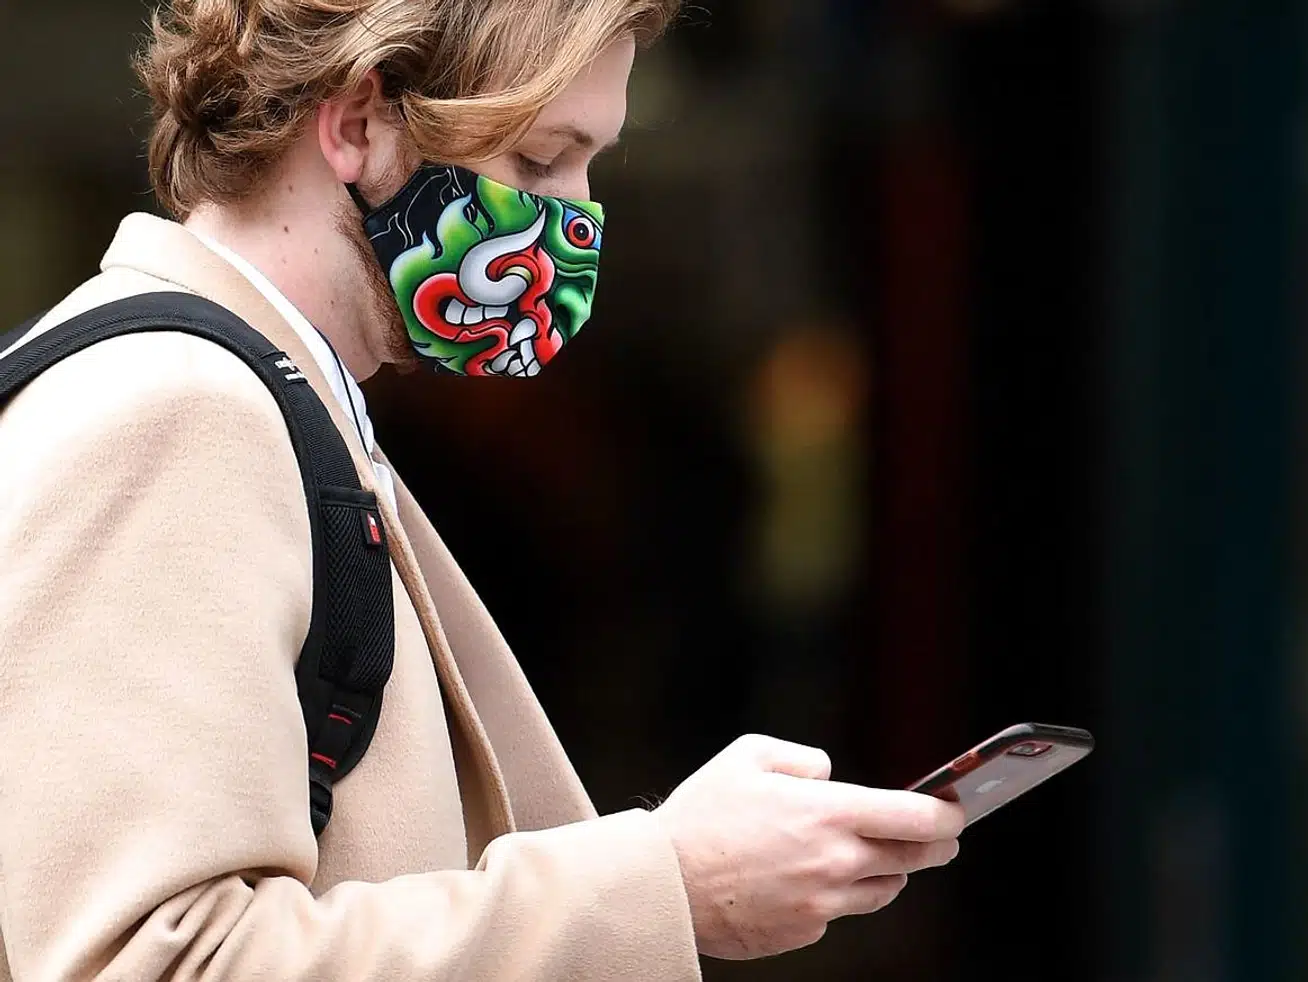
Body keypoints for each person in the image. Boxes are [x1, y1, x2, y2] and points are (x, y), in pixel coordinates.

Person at [0, 1, 965, 978]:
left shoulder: (265, 399)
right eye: (541, 161)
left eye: (590, 165)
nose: (576, 220)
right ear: (356, 124)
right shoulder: (178, 410)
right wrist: (666, 883)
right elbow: (159, 962)